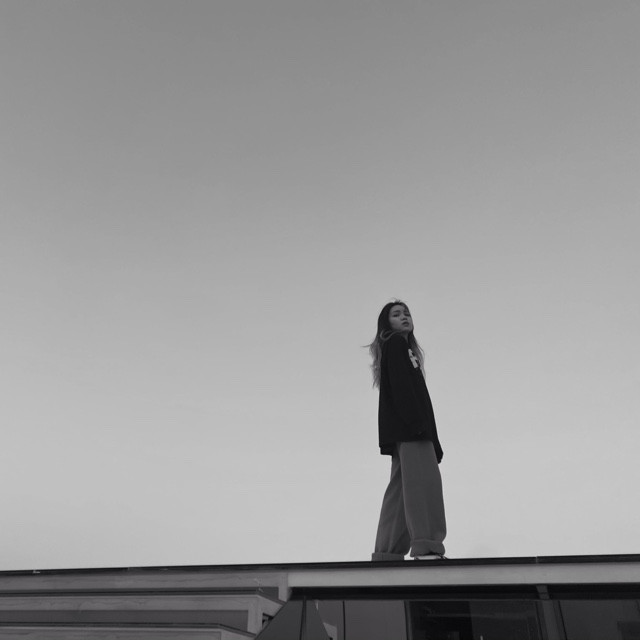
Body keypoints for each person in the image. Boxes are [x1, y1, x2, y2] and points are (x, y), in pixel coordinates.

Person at [368, 300, 447, 561]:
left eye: (407, 313)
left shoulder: (400, 349)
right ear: (386, 323)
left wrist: (432, 439)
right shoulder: (396, 344)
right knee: (424, 486)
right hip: (413, 430)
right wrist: (419, 428)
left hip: (404, 431)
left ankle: (387, 555)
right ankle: (427, 546)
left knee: (401, 491)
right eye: (396, 314)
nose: (404, 317)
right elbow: (403, 389)